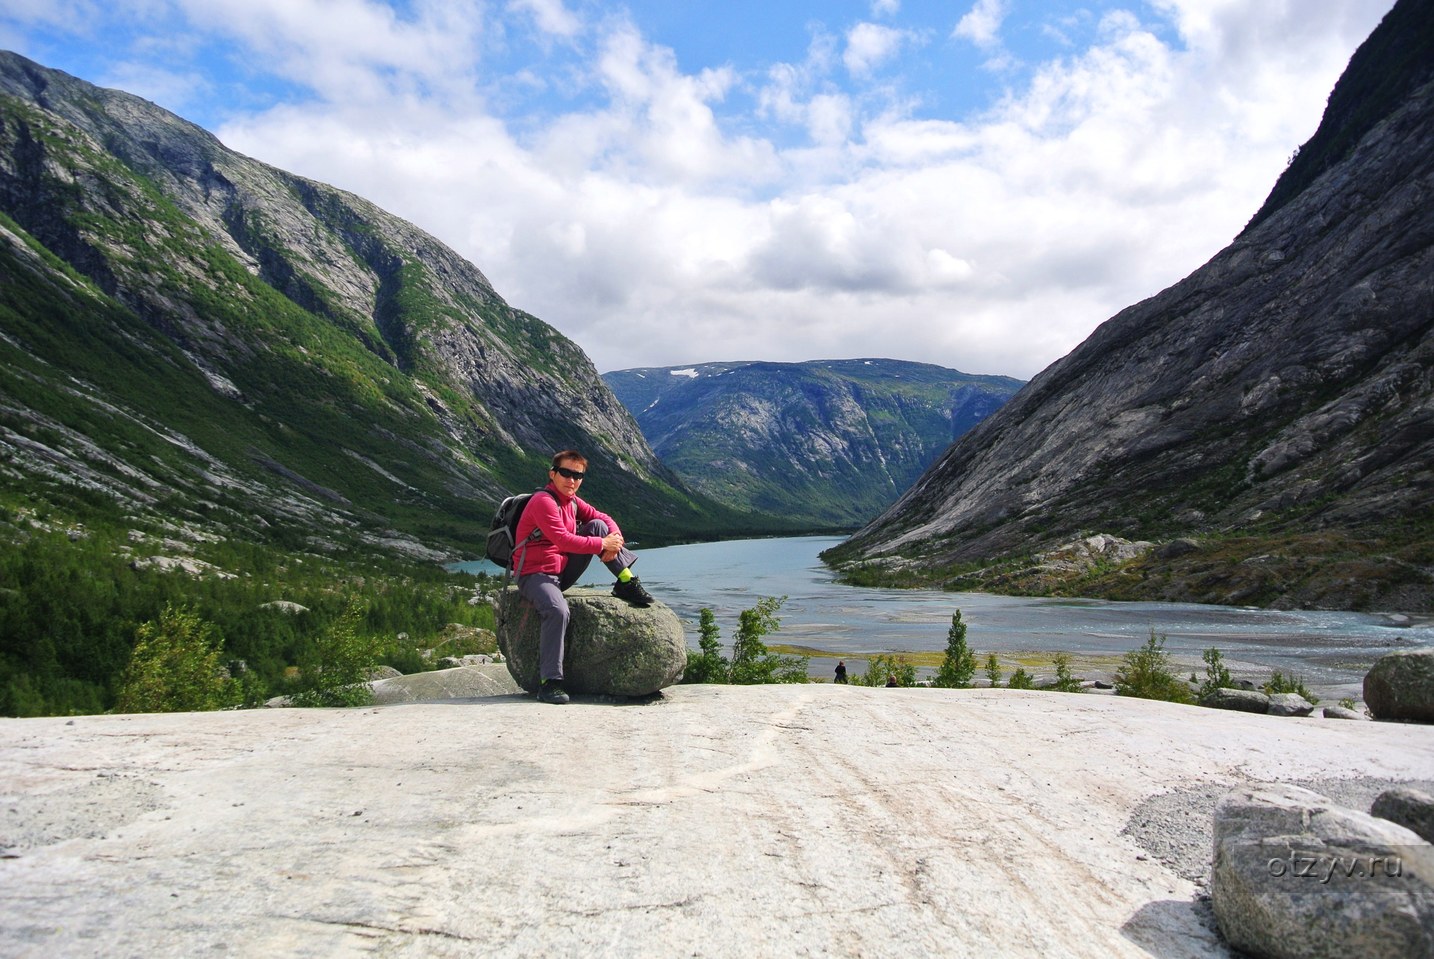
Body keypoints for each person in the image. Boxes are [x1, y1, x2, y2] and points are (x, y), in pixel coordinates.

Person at [513, 450, 654, 704]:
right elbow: (562, 539)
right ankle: (549, 683)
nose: (572, 480)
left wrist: (614, 537)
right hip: (535, 574)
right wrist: (603, 543)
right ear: (552, 474)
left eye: (578, 475)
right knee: (558, 611)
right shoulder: (543, 501)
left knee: (599, 526)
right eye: (566, 473)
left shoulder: (574, 502)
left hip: (561, 571)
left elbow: (604, 518)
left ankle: (626, 581)